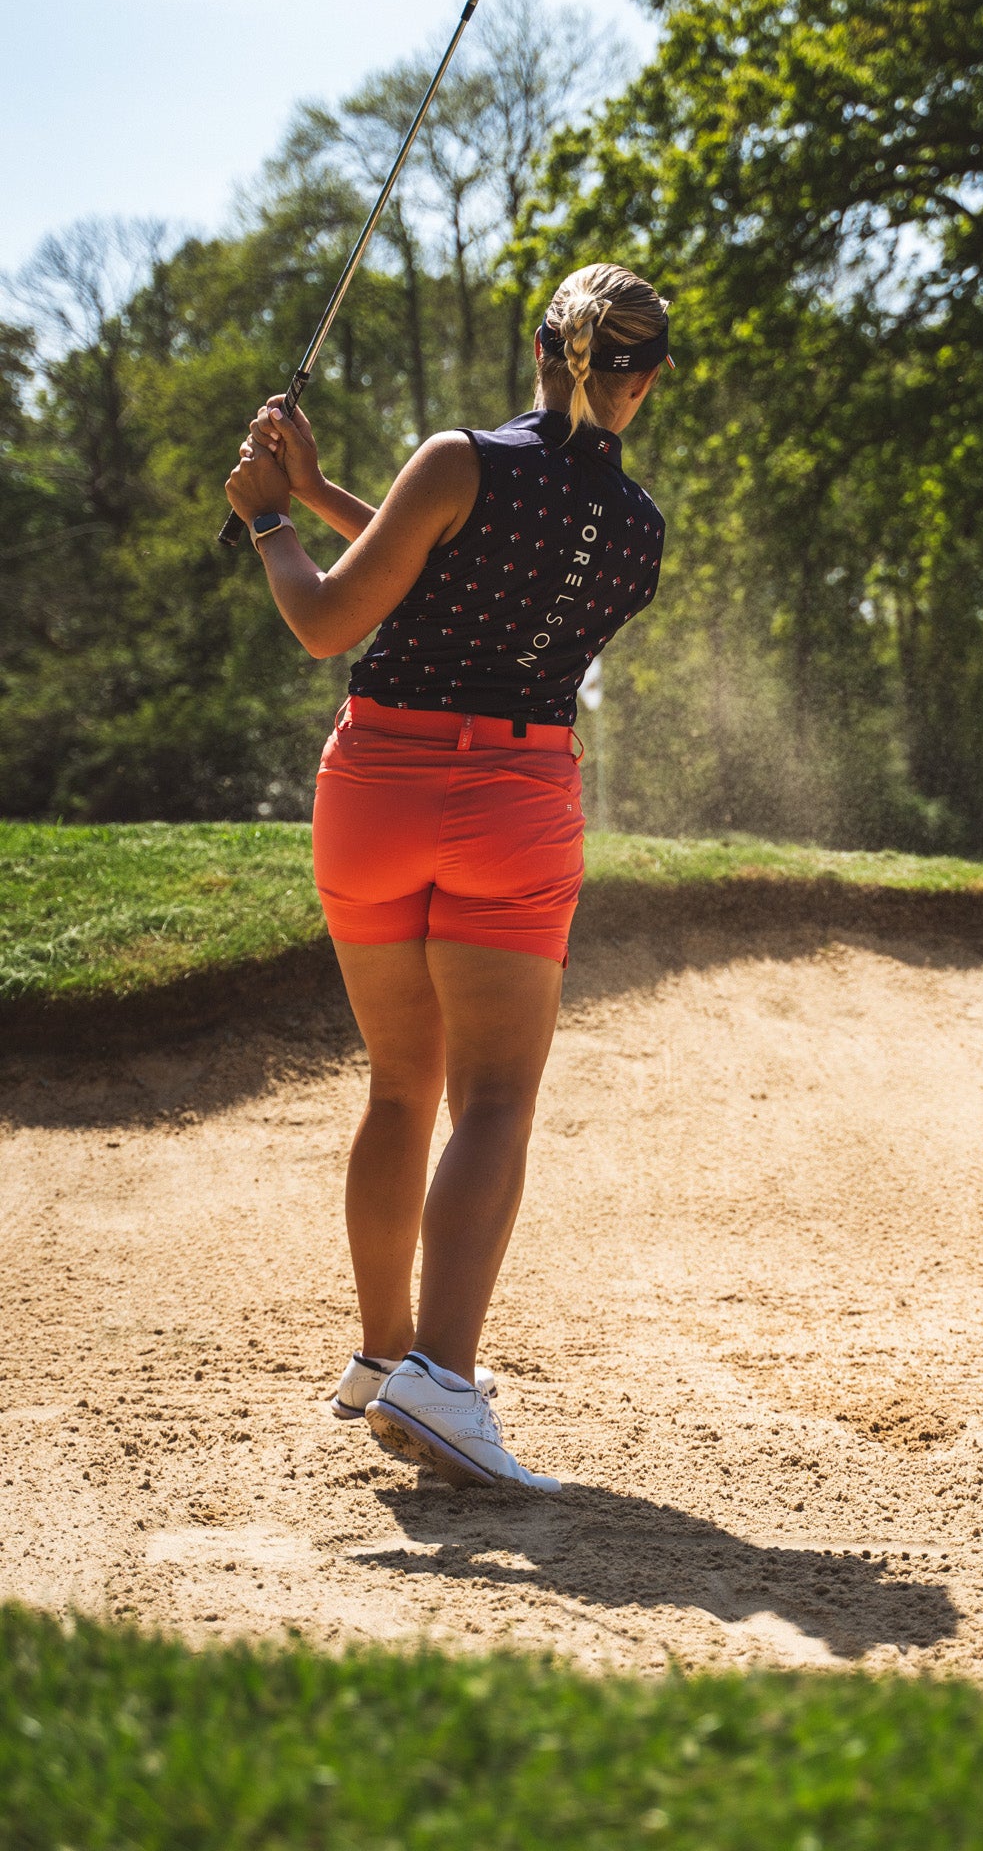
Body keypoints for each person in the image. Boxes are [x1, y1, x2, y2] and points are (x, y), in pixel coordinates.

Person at [223, 262, 670, 1493]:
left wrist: (270, 516)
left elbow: (345, 612)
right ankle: (442, 1379)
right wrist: (311, 492)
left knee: (399, 1085)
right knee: (495, 1099)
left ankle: (383, 1354)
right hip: (516, 803)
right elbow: (476, 575)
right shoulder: (640, 530)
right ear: (645, 379)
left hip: (375, 791)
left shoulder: (456, 461)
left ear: (540, 348)